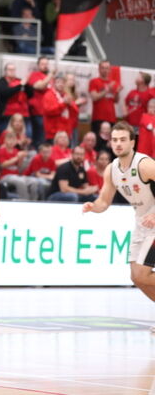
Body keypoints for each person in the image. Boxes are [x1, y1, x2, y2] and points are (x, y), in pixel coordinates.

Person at [83, 122, 155, 319]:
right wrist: (93, 206)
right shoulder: (111, 169)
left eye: (123, 139)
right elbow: (104, 201)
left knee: (142, 273)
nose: (118, 144)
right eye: (114, 140)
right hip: (141, 222)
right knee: (137, 278)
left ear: (132, 142)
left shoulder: (145, 165)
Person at [0, 130, 39, 200]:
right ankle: (24, 201)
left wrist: (21, 158)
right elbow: (3, 165)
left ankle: (34, 200)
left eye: (13, 139)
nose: (11, 142)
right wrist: (17, 157)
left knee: (34, 181)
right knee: (20, 181)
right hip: (5, 176)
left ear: (16, 141)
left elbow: (19, 167)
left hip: (17, 175)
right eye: (9, 139)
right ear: (5, 140)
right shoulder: (2, 150)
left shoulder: (16, 151)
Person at [89, 60, 121, 137]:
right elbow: (94, 97)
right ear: (99, 69)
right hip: (98, 118)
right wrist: (107, 89)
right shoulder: (94, 81)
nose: (105, 70)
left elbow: (116, 100)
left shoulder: (113, 83)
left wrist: (117, 92)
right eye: (103, 68)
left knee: (110, 144)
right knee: (97, 143)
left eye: (107, 68)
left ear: (110, 70)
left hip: (111, 118)